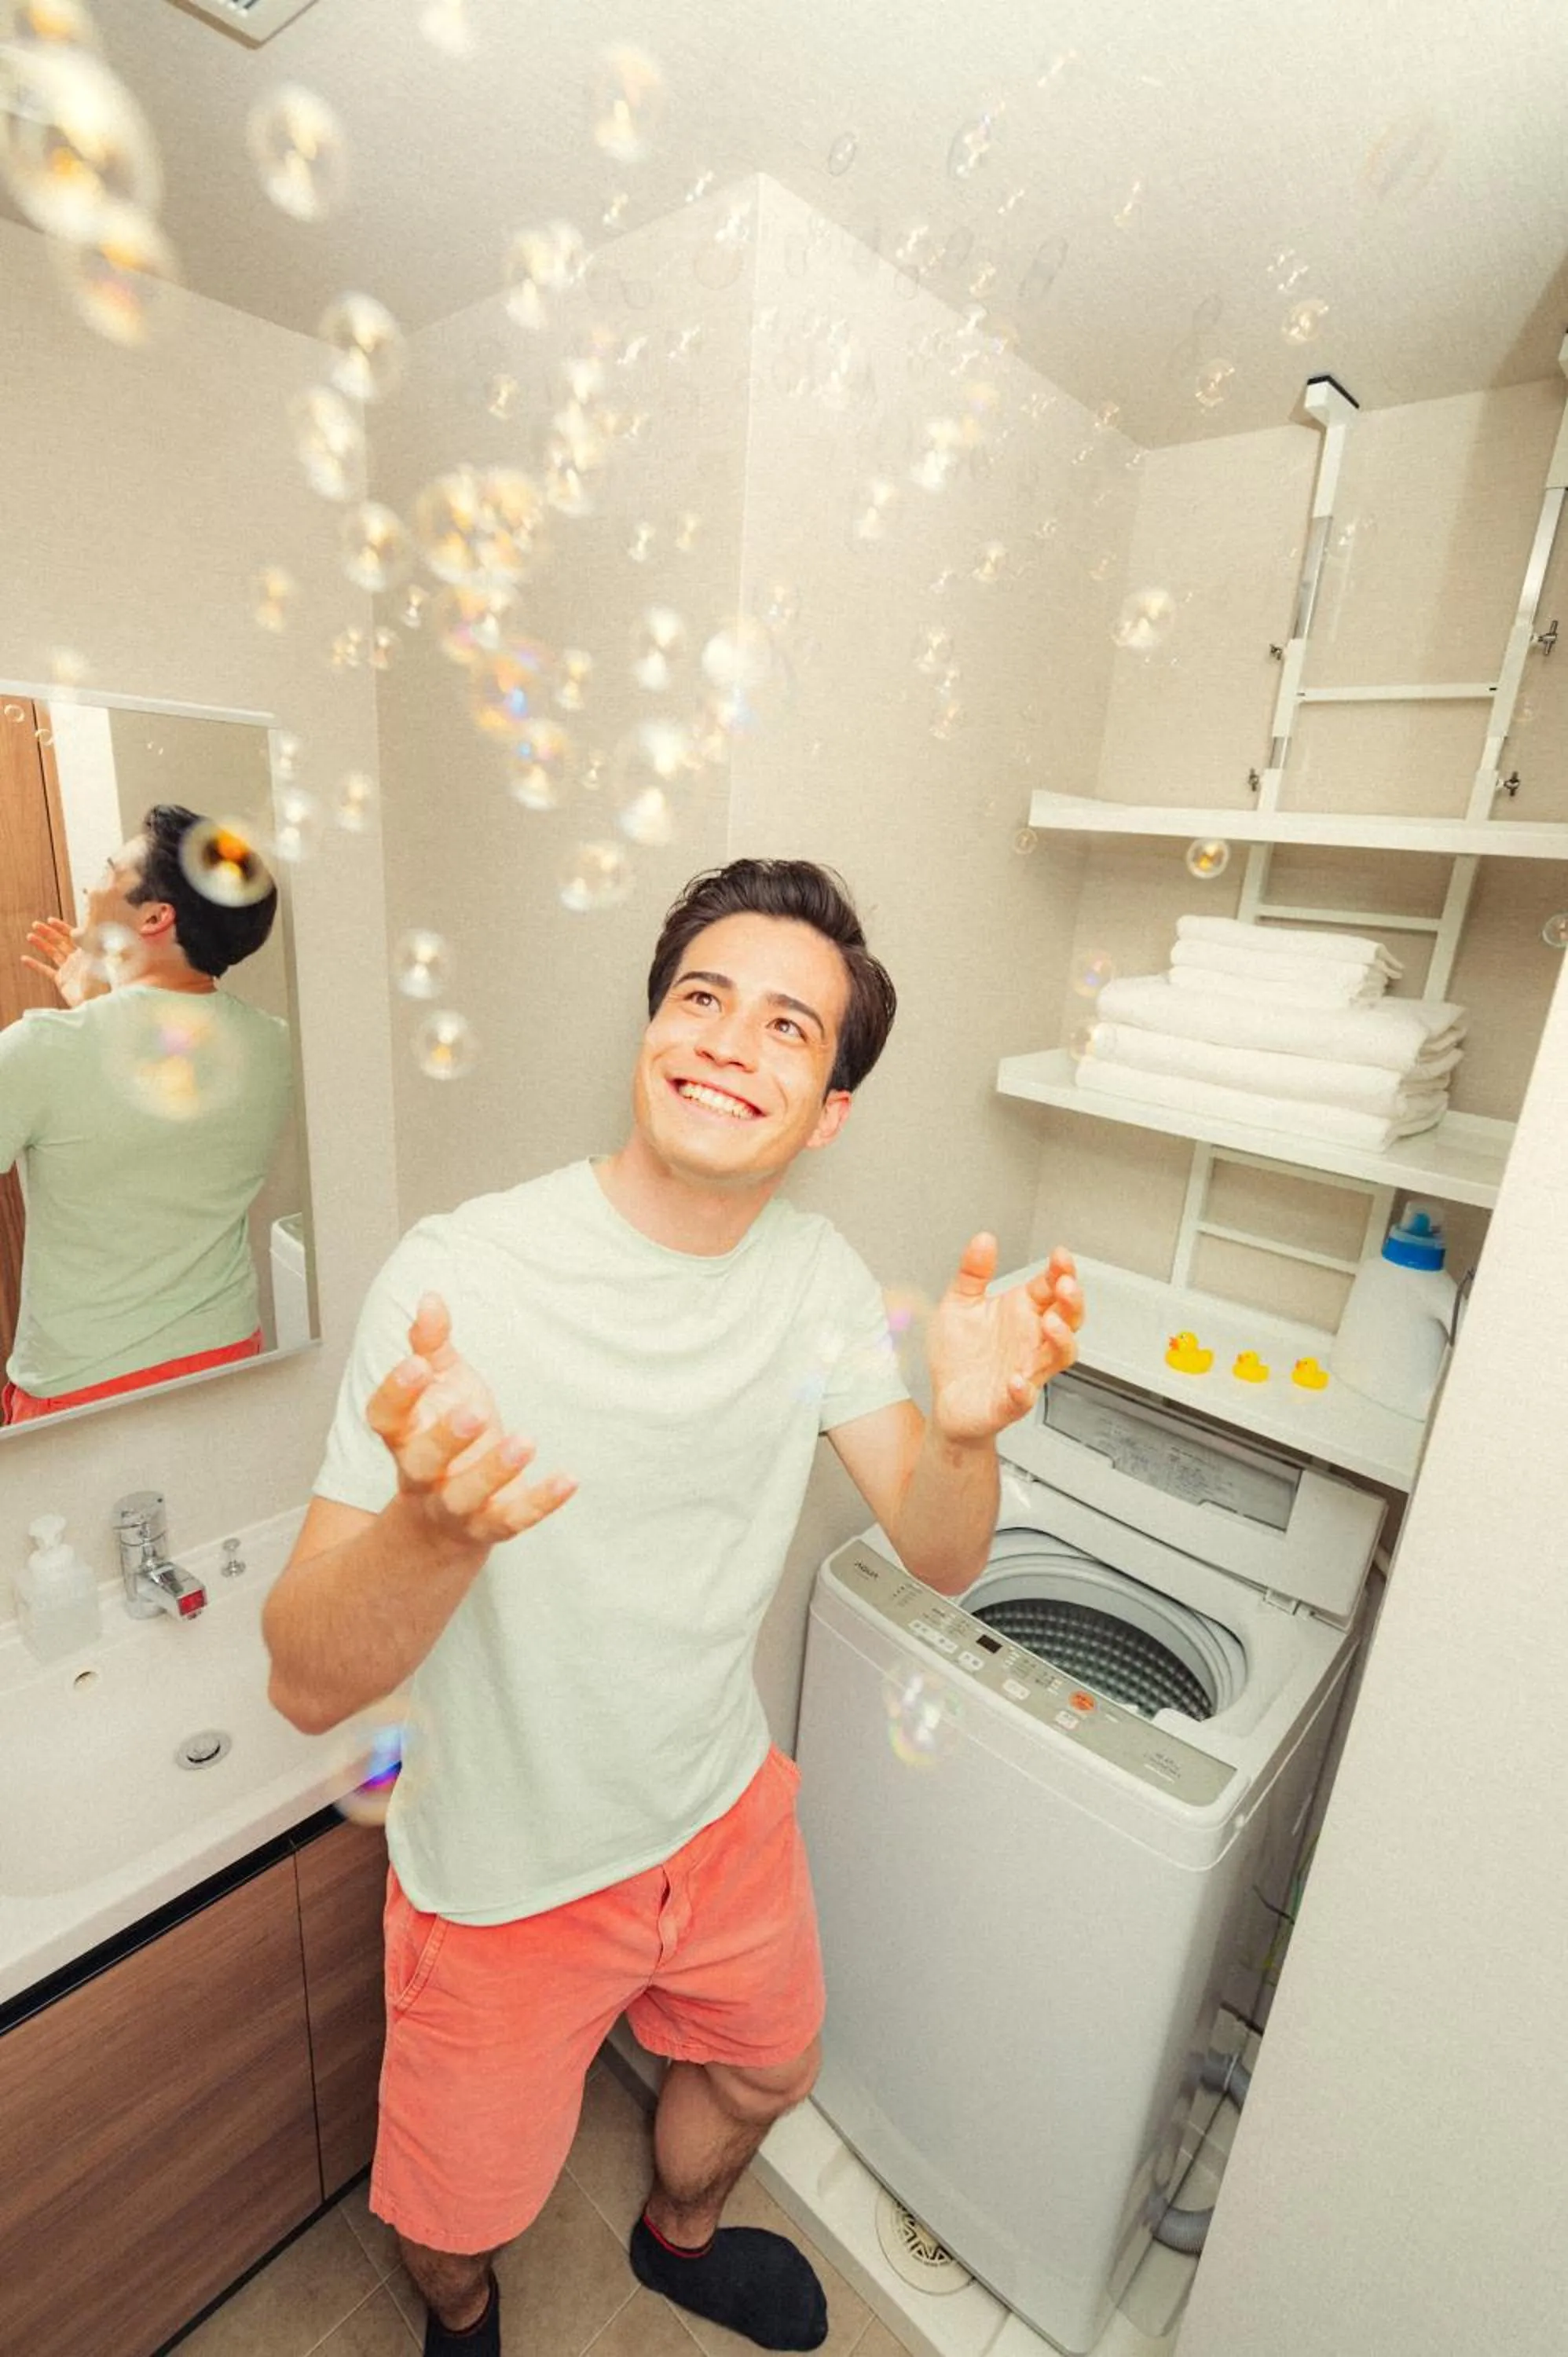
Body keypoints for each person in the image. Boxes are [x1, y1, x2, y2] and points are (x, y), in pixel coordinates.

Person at [262, 857, 1083, 2357]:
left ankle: (677, 2237)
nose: (726, 1038)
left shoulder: (819, 1279)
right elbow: (308, 1680)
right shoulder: (463, 1275)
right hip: (504, 1871)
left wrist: (965, 1438)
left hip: (719, 1820)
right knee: (450, 2218)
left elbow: (942, 1550)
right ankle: (463, 2321)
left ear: (828, 1109)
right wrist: (434, 1536)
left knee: (773, 2069)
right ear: (652, 1032)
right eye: (702, 997)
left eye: (788, 1026)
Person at [0, 803, 290, 1422]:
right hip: (228, 1355)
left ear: (156, 916)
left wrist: (86, 1021)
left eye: (109, 868)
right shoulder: (277, 1045)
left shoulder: (45, 1049)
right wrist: (98, 1008)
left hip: (85, 1383)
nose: (91, 884)